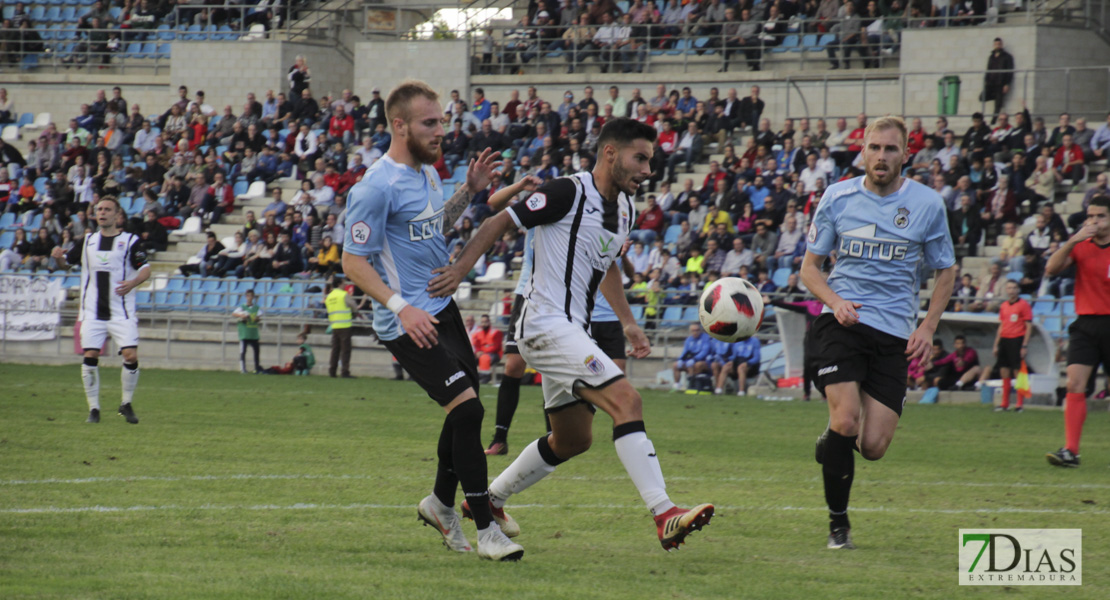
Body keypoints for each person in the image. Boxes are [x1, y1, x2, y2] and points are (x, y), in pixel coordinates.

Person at [428, 117, 714, 552]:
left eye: (651, 161)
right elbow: (500, 220)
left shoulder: (626, 209)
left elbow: (608, 265)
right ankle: (664, 512)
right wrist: (460, 270)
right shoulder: (567, 191)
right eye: (640, 158)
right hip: (543, 324)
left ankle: (491, 499)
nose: (648, 170)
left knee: (574, 439)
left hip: (570, 330)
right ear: (610, 153)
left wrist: (628, 321)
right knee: (628, 401)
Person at [340, 80, 522, 561]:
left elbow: (431, 227)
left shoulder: (428, 173)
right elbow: (353, 262)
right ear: (399, 125)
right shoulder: (374, 187)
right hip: (406, 321)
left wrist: (470, 191)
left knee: (464, 412)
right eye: (430, 123)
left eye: (441, 121)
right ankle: (486, 529)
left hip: (441, 309)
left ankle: (440, 504)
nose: (441, 130)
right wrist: (402, 306)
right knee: (467, 411)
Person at [801, 116, 957, 550]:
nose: (881, 156)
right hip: (843, 323)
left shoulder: (927, 204)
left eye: (891, 149)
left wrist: (927, 326)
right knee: (847, 417)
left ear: (906, 154)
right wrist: (835, 302)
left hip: (894, 335)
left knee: (872, 446)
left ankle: (833, 442)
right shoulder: (838, 197)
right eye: (874, 148)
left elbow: (947, 270)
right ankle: (839, 527)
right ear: (862, 152)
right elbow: (809, 269)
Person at [51, 196, 151, 424]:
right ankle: (94, 409)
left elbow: (146, 269)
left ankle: (125, 403)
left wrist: (132, 283)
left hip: (121, 312)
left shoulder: (130, 241)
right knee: (90, 355)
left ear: (118, 215)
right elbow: (66, 264)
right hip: (92, 313)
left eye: (108, 209)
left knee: (131, 355)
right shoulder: (86, 242)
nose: (103, 213)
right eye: (99, 209)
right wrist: (58, 258)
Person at [1044, 195, 1110, 468]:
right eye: (1090, 216)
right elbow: (1051, 269)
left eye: (1100, 216)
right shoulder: (1080, 245)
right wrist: (1072, 240)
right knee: (1074, 384)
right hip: (1085, 324)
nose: (1093, 221)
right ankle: (1071, 450)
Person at [991, 280, 1032, 412]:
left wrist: (1024, 345)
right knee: (1004, 371)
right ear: (1006, 290)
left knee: (1017, 372)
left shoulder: (1024, 305)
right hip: (1004, 340)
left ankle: (1019, 404)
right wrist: (996, 344)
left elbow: (1028, 326)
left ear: (1018, 290)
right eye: (1009, 288)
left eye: (1014, 288)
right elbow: (1001, 325)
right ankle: (1005, 403)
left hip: (1017, 340)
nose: (1012, 290)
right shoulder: (1003, 306)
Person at [324, 277, 359, 379]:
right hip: (345, 325)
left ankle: (332, 371)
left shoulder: (329, 296)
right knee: (345, 350)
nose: (345, 285)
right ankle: (345, 371)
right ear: (339, 284)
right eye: (344, 283)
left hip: (334, 325)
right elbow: (354, 306)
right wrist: (354, 313)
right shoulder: (344, 295)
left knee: (335, 349)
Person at [235, 289, 262, 374]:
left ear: (253, 297)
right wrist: (242, 315)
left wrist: (257, 318)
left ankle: (257, 368)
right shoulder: (242, 307)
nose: (249, 298)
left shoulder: (256, 308)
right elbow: (234, 313)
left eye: (251, 296)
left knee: (256, 351)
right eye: (248, 296)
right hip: (245, 333)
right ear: (246, 297)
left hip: (253, 333)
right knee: (243, 351)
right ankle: (243, 368)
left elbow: (259, 316)